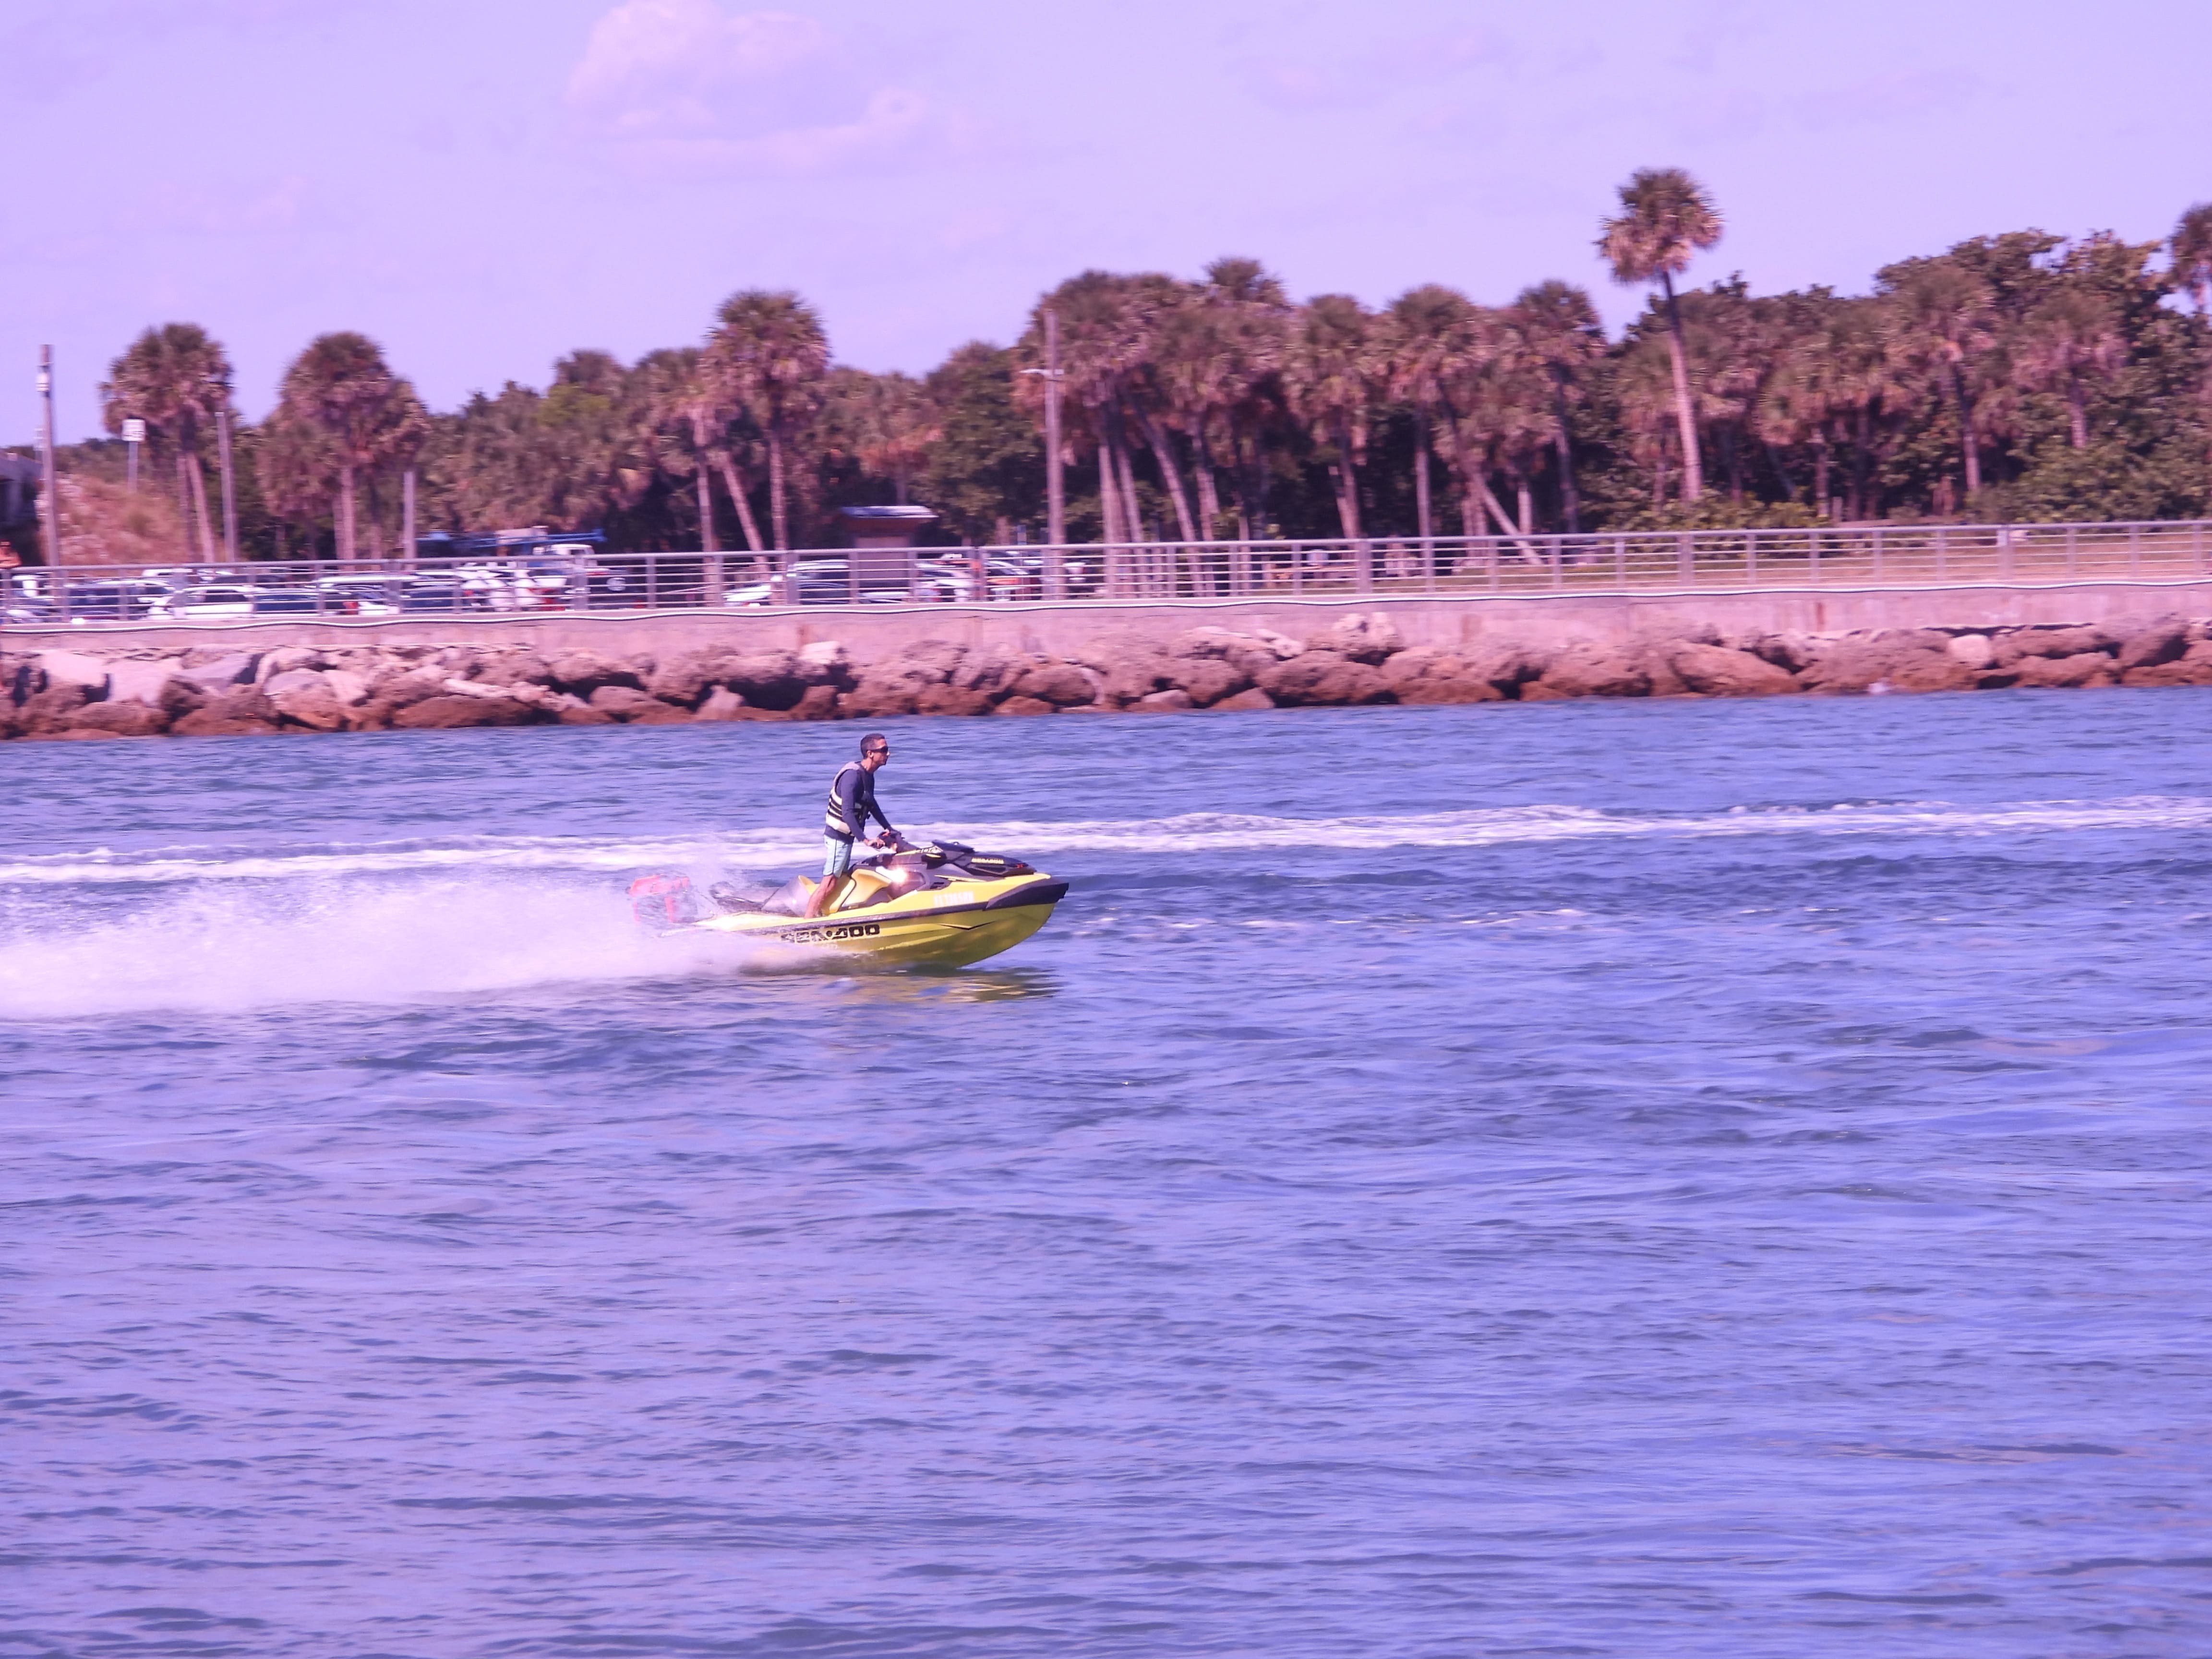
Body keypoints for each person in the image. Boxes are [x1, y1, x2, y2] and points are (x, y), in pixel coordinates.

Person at [805, 733, 897, 918]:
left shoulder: (868, 776)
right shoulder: (852, 777)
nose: (889, 754)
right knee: (830, 882)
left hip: (847, 838)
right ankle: (807, 922)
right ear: (870, 753)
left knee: (842, 878)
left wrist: (888, 828)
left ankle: (828, 913)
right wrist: (865, 840)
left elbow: (871, 803)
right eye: (884, 750)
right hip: (838, 838)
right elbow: (847, 813)